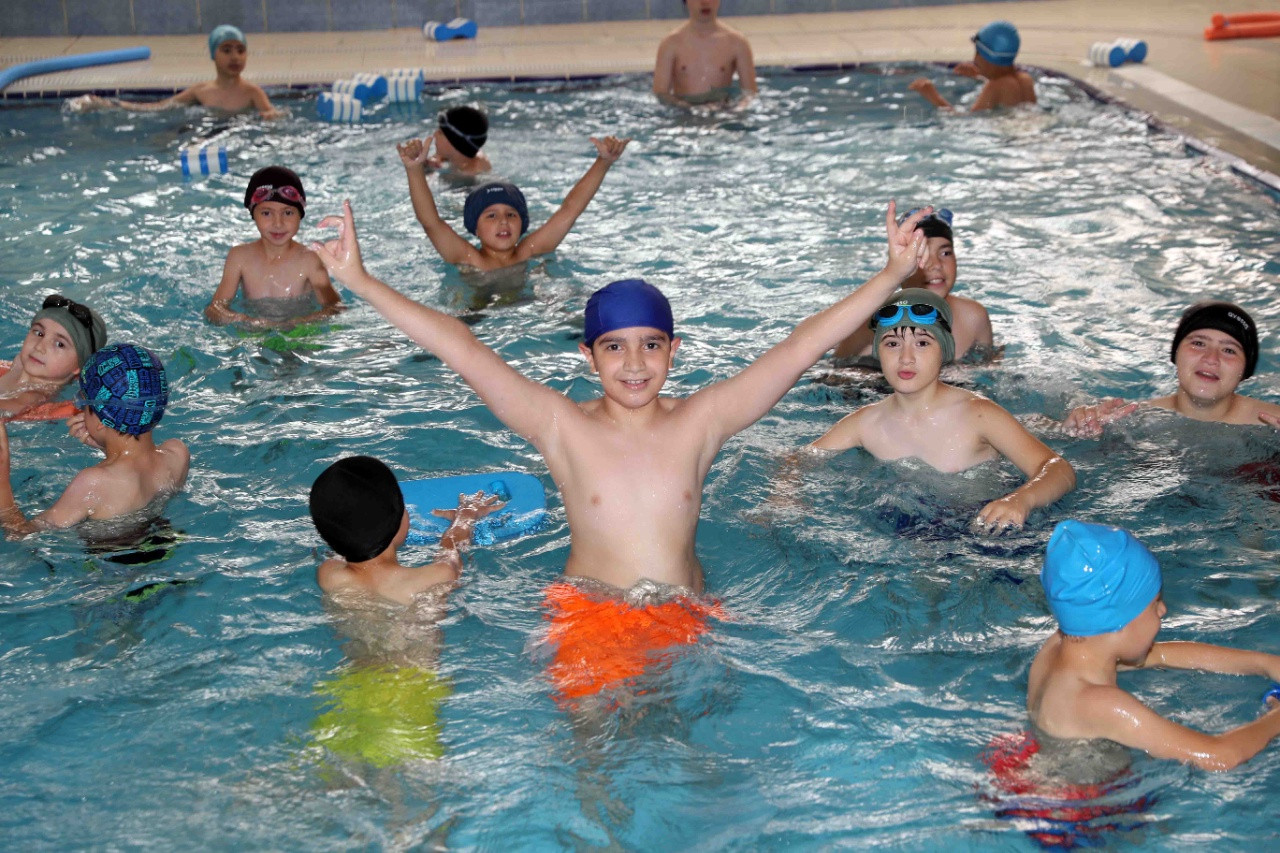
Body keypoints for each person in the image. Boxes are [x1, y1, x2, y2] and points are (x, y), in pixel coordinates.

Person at [308, 199, 930, 699]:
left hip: (687, 613)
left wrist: (891, 276)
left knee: (689, 756)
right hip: (591, 616)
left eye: (651, 345)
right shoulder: (560, 426)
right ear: (588, 355)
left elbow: (799, 348)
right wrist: (360, 280)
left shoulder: (702, 422)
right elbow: (462, 349)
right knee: (596, 768)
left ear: (674, 349)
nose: (634, 363)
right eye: (614, 347)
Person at [810, 289, 1075, 531]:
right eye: (892, 344)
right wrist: (786, 494)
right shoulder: (864, 423)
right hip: (911, 533)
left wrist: (1020, 500)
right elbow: (799, 460)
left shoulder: (978, 414)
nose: (906, 357)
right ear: (878, 352)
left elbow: (1058, 469)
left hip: (988, 533)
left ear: (944, 351)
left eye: (922, 343)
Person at [1029, 519, 1280, 772]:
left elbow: (1161, 654)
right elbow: (1219, 756)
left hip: (1042, 765)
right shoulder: (1100, 704)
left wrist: (1266, 664)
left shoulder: (1061, 647)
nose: (1163, 610)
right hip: (1080, 804)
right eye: (1154, 604)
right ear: (1118, 621)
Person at [0, 343, 189, 537]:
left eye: (83, 401)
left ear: (100, 420)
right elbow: (132, 476)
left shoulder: (92, 483)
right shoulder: (177, 455)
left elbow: (20, 534)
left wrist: (2, 479)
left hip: (110, 563)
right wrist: (107, 446)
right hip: (163, 544)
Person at [396, 135, 629, 273]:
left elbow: (570, 209)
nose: (503, 221)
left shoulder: (529, 251)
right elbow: (431, 222)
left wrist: (603, 162)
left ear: (522, 223)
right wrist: (414, 169)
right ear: (474, 228)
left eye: (511, 214)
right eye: (491, 216)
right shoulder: (469, 258)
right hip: (477, 315)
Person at [1062, 301, 1280, 436]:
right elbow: (1036, 431)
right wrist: (1075, 425)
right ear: (1176, 353)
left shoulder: (1274, 425)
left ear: (1246, 370)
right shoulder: (1130, 419)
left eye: (1229, 350)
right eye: (1198, 343)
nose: (1211, 358)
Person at [309, 455, 503, 606]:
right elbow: (452, 548)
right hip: (414, 660)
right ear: (399, 521)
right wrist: (466, 515)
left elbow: (342, 537)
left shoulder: (329, 575)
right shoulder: (435, 577)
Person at [833, 208, 993, 363]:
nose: (936, 264)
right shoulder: (873, 325)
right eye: (922, 255)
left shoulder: (973, 317)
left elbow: (991, 374)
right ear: (902, 266)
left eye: (945, 253)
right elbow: (833, 377)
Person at [205, 166, 343, 329]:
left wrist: (298, 323)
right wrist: (243, 320)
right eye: (266, 213)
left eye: (288, 213)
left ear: (300, 215)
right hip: (253, 335)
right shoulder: (239, 257)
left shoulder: (310, 260)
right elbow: (215, 310)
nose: (278, 223)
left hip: (299, 336)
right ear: (253, 214)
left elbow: (335, 309)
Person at [72, 25, 281, 119]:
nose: (235, 57)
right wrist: (106, 104)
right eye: (226, 50)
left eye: (240, 50)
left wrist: (272, 117)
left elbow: (272, 115)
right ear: (212, 54)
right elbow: (158, 108)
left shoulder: (253, 93)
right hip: (205, 134)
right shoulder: (200, 92)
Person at [1, 294, 106, 419]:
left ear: (79, 366)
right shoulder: (18, 365)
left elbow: (9, 409)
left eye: (60, 344)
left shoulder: (36, 395)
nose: (39, 347)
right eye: (39, 333)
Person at [909, 21, 1036, 112]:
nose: (974, 59)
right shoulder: (1026, 80)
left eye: (978, 53)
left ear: (989, 57)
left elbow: (967, 119)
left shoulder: (994, 86)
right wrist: (979, 76)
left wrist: (935, 98)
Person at [653, 0, 758, 105]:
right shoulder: (670, 44)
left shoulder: (737, 43)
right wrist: (686, 108)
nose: (705, 2)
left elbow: (750, 93)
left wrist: (736, 111)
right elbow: (661, 94)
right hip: (685, 115)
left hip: (722, 114)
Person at [409, 106, 491, 177]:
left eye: (440, 133)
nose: (435, 134)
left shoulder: (467, 175)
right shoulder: (465, 151)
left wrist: (417, 169)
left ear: (455, 143)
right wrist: (424, 163)